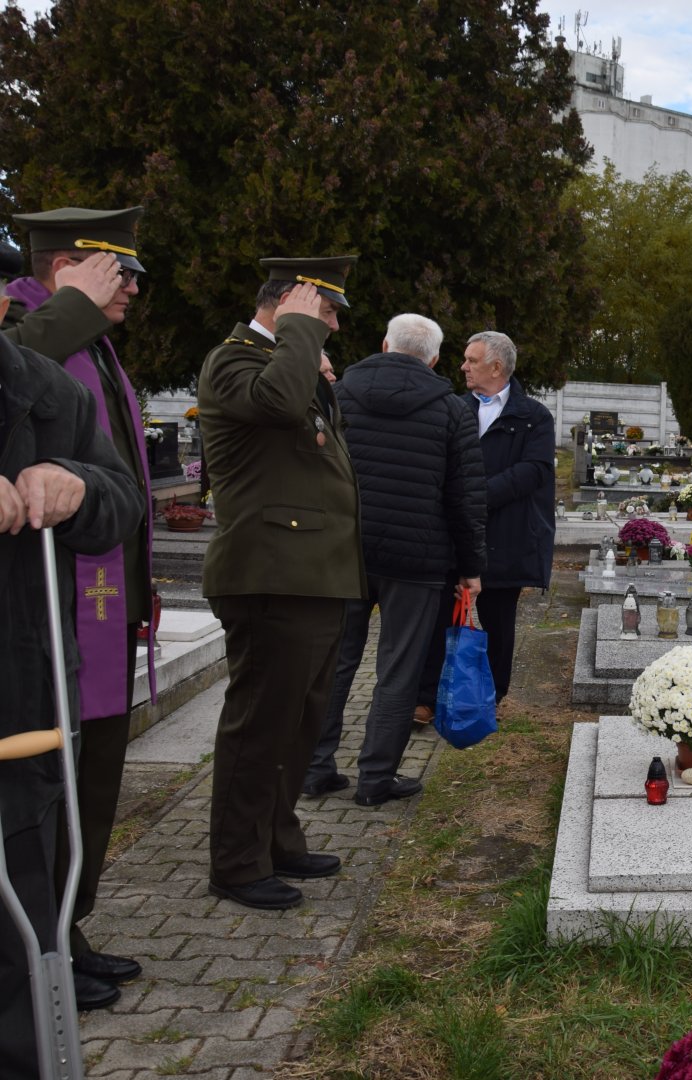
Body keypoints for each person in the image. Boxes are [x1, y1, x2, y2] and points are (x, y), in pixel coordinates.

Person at [2, 206, 153, 1010]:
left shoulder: (88, 344)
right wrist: (70, 306)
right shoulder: (37, 321)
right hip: (41, 606)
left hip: (88, 593)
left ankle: (65, 931)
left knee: (81, 775)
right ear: (65, 269)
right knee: (51, 780)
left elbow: (114, 474)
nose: (131, 289)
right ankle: (46, 941)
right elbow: (17, 367)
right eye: (117, 273)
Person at [196, 256, 364, 911]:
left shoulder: (289, 365)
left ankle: (276, 839)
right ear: (289, 304)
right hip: (269, 574)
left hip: (313, 575)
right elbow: (276, 405)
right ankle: (237, 864)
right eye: (326, 312)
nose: (333, 327)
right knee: (260, 726)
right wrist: (298, 337)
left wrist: (306, 359)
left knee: (298, 724)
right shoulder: (232, 360)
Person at [303, 314, 485, 805]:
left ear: (384, 345)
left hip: (344, 551)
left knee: (334, 663)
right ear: (434, 359)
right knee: (399, 669)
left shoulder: (337, 395)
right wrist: (470, 568)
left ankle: (314, 769)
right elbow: (465, 499)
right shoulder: (451, 410)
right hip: (416, 558)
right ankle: (375, 778)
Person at [422, 330, 553, 707]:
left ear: (496, 367)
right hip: (452, 536)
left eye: (471, 360)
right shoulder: (452, 408)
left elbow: (535, 470)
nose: (463, 366)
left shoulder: (534, 416)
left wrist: (477, 494)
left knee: (497, 623)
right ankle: (428, 697)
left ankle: (490, 697)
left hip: (505, 537)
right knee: (440, 620)